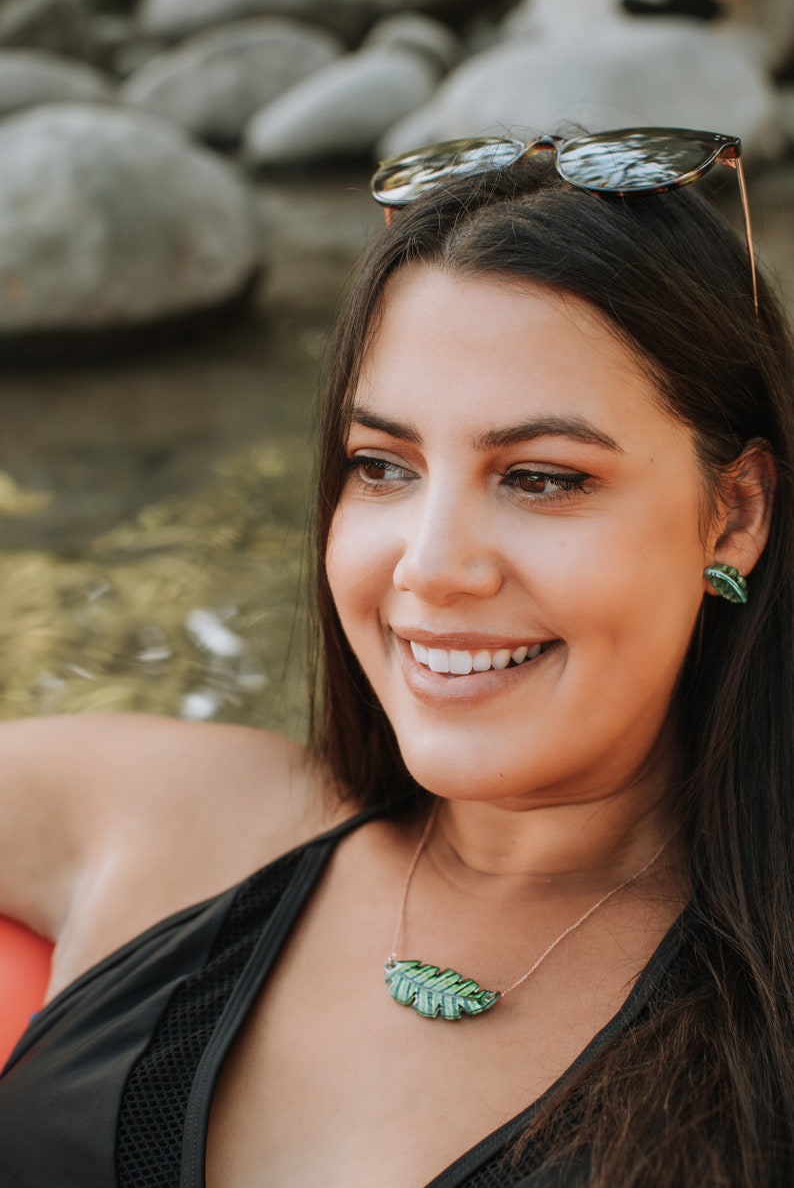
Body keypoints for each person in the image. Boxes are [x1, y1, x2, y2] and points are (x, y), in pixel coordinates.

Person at [0, 127, 792, 1187]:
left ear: (732, 516)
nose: (428, 565)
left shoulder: (764, 1004)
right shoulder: (171, 814)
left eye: (541, 477)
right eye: (381, 466)